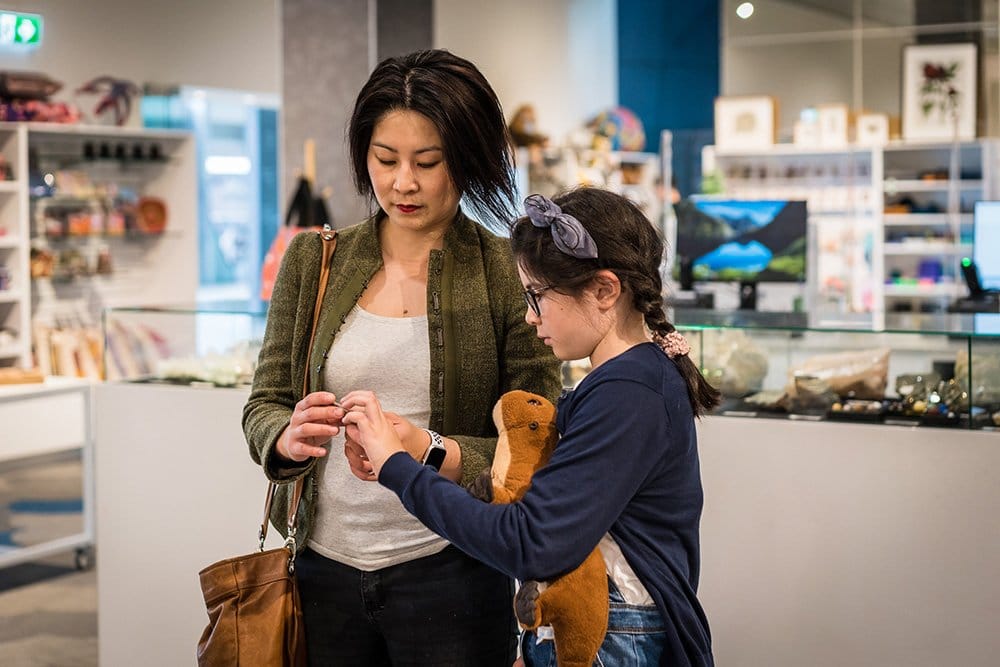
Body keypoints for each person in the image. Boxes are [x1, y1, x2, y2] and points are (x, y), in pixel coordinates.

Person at [242, 49, 562, 666]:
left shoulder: (506, 271)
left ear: (467, 162)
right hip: (321, 568)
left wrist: (428, 449)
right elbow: (265, 403)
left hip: (453, 572)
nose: (403, 183)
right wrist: (284, 437)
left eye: (428, 162)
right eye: (385, 160)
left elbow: (533, 439)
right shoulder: (315, 262)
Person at [341, 187, 720, 666]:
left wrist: (397, 467)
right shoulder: (626, 382)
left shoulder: (629, 394)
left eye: (537, 296)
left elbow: (530, 543)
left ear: (604, 290)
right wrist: (422, 447)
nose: (528, 315)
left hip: (613, 638)